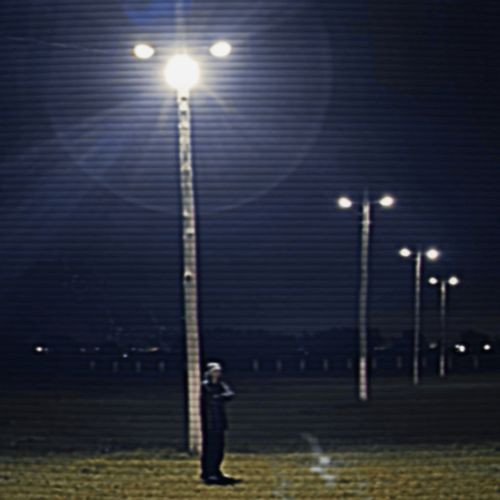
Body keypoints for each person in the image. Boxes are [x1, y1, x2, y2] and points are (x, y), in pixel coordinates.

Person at [200, 361, 238, 485]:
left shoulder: (220, 384)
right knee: (210, 448)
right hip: (210, 422)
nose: (218, 373)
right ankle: (208, 472)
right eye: (215, 371)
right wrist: (219, 397)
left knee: (219, 448)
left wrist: (219, 396)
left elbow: (229, 394)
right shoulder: (205, 386)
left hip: (219, 421)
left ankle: (216, 471)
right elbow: (211, 399)